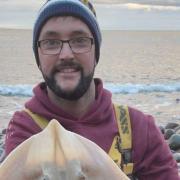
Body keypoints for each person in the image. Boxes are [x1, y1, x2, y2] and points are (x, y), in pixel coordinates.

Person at [5, 0, 179, 179]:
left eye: (80, 41)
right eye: (51, 42)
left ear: (96, 52)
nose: (66, 54)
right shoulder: (24, 129)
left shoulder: (139, 128)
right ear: (38, 56)